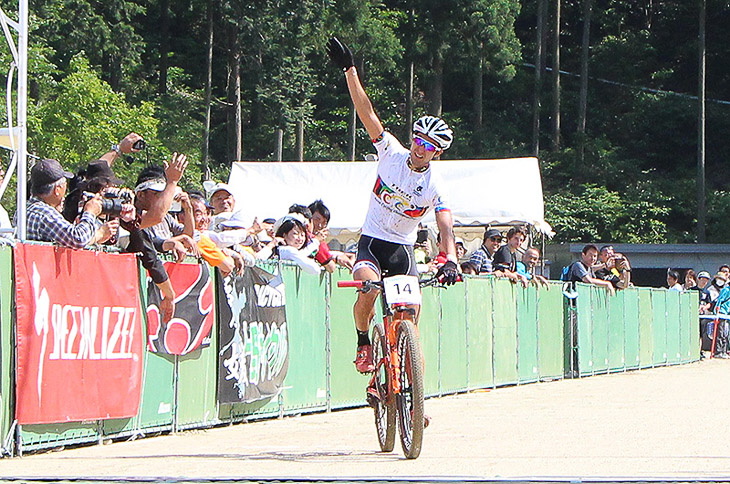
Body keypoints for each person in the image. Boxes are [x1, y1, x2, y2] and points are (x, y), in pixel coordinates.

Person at [328, 36, 459, 375]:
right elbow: (366, 111)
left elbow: (446, 224)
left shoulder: (435, 184)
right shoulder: (390, 154)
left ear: (437, 153)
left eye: (428, 147)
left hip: (402, 250)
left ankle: (413, 395)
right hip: (372, 243)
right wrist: (349, 69)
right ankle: (363, 341)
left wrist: (452, 260)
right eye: (418, 141)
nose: (420, 149)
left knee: (412, 319)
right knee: (369, 289)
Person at [121, 154, 189, 323]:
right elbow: (155, 219)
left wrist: (171, 242)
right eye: (158, 194)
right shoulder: (122, 215)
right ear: (140, 195)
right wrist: (172, 182)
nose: (163, 199)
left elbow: (151, 243)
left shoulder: (136, 223)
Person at [26, 158, 105, 248]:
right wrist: (90, 212)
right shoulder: (45, 213)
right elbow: (78, 239)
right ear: (57, 190)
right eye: (65, 185)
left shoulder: (25, 209)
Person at [308, 199, 355, 269]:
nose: (320, 226)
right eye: (317, 220)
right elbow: (331, 267)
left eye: (324, 222)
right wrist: (336, 259)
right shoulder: (313, 241)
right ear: (308, 218)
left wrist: (338, 256)